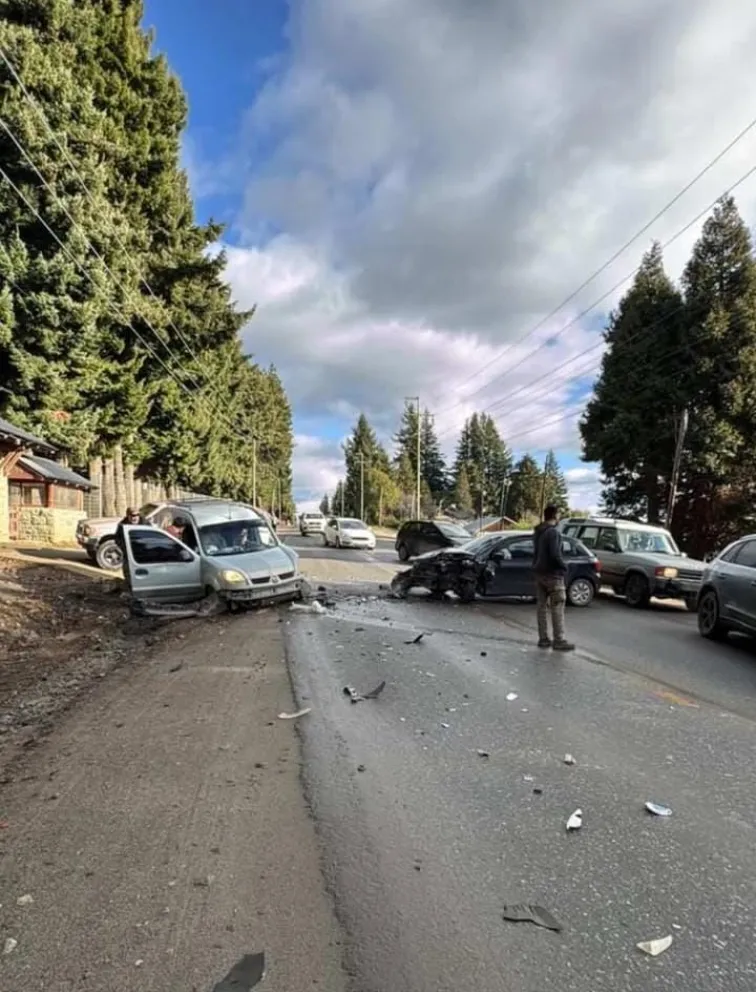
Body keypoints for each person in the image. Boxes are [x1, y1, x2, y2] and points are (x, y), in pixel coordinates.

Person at [532, 505, 575, 652]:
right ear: (555, 516)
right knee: (557, 607)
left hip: (539, 574)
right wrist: (564, 567)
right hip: (553, 575)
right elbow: (555, 555)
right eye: (559, 515)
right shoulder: (553, 533)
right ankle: (559, 640)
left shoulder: (538, 532)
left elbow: (537, 553)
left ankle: (543, 638)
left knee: (541, 608)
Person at [115, 507, 142, 589]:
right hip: (129, 553)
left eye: (137, 515)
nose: (135, 518)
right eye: (132, 515)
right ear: (128, 516)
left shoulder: (145, 523)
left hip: (141, 552)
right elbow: (117, 539)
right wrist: (124, 548)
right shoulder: (122, 525)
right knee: (128, 571)